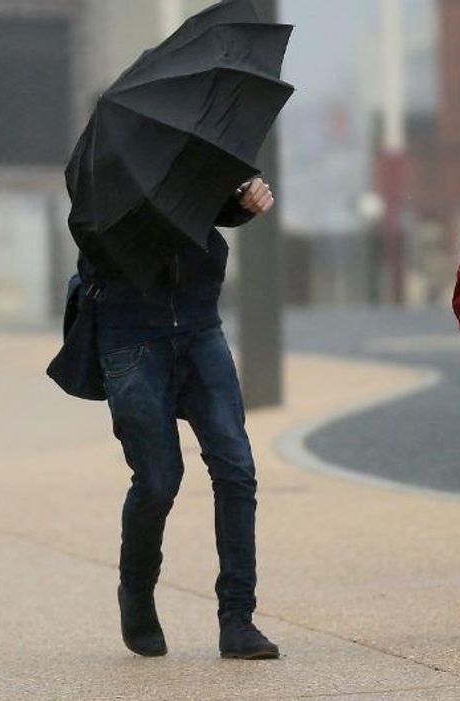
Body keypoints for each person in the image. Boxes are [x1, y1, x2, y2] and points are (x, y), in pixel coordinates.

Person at [77, 177, 278, 659]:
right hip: (131, 336)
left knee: (236, 468)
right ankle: (137, 592)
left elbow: (210, 207)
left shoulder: (194, 156)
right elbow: (94, 244)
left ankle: (237, 618)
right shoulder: (101, 176)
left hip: (199, 326)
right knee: (159, 479)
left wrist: (240, 201)